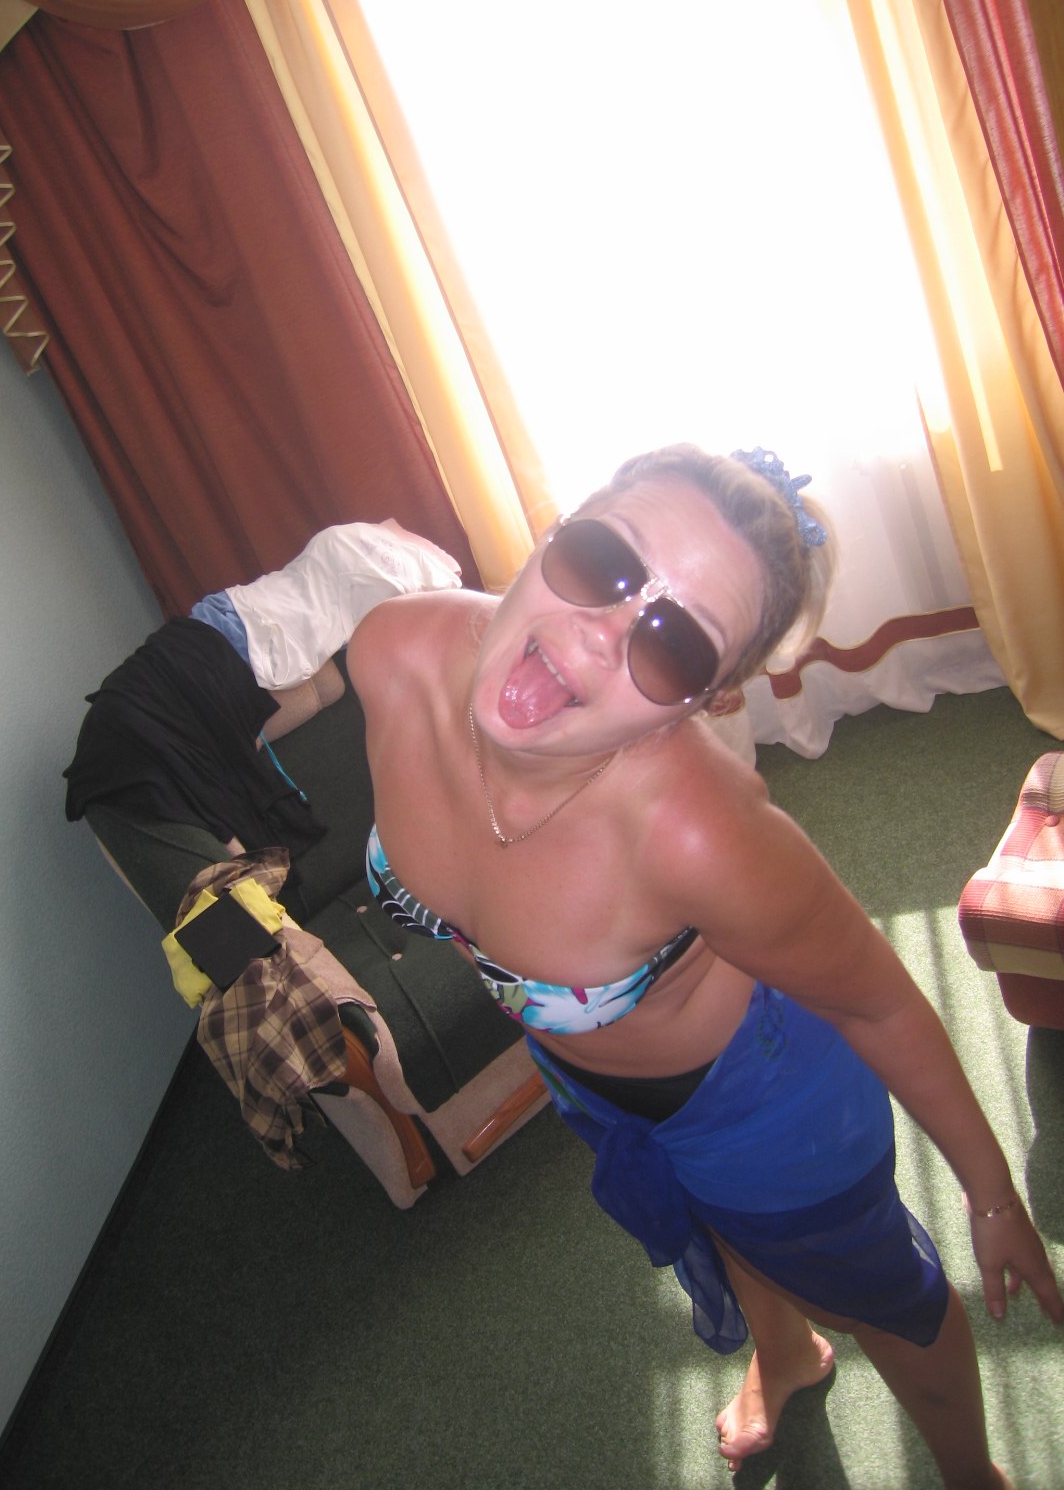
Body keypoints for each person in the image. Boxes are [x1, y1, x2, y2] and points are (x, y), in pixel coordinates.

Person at [347, 442, 1063, 1489]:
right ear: (555, 526)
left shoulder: (699, 833)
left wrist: (992, 1197)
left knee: (880, 1305)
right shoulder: (394, 653)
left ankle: (971, 1475)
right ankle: (786, 1355)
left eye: (675, 644)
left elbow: (880, 1005)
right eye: (604, 561)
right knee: (715, 1231)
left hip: (759, 1097)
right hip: (584, 1073)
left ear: (707, 702)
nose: (602, 634)